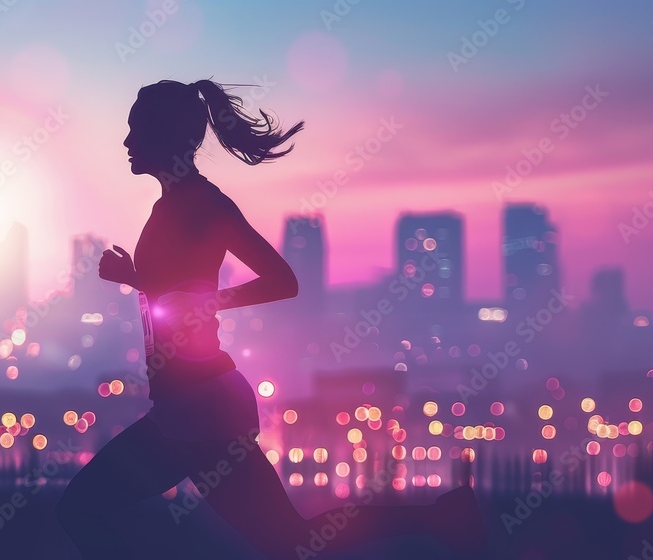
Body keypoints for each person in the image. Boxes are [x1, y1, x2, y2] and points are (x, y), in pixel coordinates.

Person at [55, 78, 487, 559]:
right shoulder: (174, 204)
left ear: (165, 136)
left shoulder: (202, 203)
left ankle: (440, 517)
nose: (127, 142)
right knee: (292, 542)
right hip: (192, 407)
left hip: (197, 409)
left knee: (82, 508)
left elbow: (281, 280)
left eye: (136, 130)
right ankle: (441, 517)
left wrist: (210, 301)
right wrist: (137, 279)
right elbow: (178, 294)